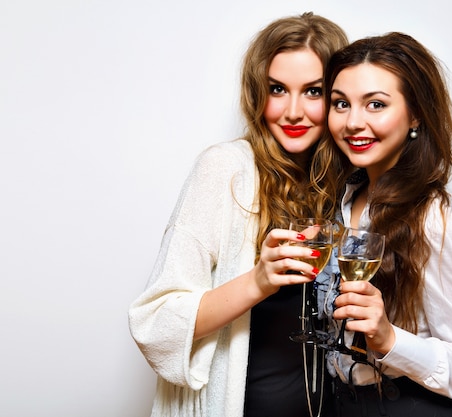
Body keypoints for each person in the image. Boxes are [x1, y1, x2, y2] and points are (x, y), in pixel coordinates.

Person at [128, 12, 348, 417]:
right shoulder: (225, 170)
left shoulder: (348, 185)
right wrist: (258, 281)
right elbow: (155, 323)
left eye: (313, 91)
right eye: (277, 89)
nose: (293, 111)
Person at [320, 32, 452, 416]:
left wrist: (388, 338)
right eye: (341, 104)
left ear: (415, 114)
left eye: (376, 104)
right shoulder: (340, 201)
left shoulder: (437, 223)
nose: (353, 122)